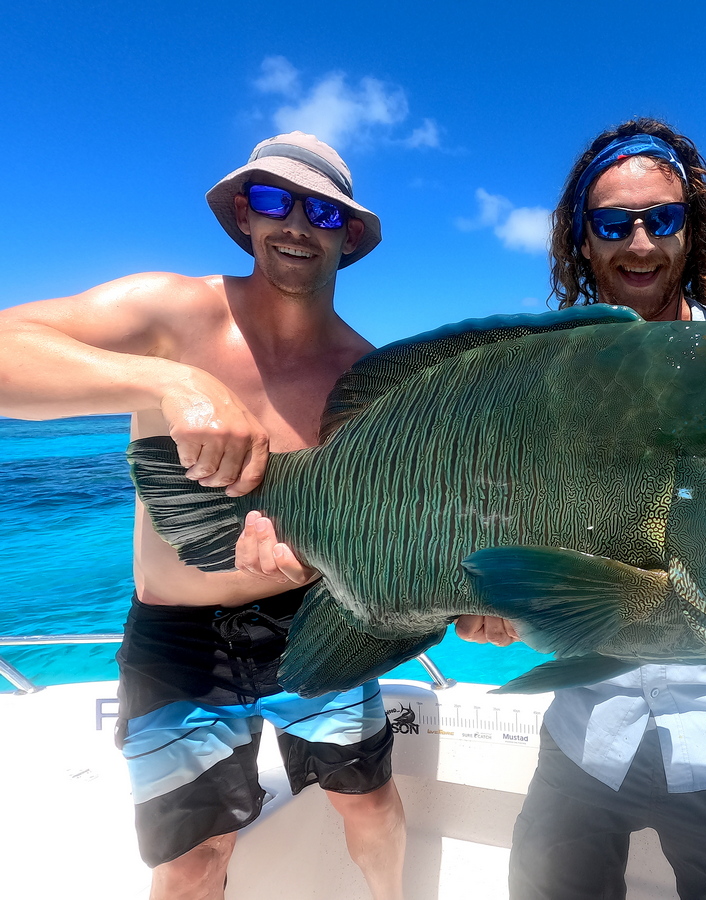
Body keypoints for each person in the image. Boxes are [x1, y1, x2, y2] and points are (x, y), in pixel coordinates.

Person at [0, 133, 407, 900]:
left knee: (373, 805)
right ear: (244, 217)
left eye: (320, 209)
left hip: (315, 620)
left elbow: (381, 523)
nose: (295, 223)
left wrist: (317, 562)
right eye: (272, 200)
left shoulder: (369, 376)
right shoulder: (170, 314)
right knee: (191, 860)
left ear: (346, 233)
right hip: (178, 641)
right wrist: (165, 382)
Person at [458, 117, 706, 900]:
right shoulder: (540, 388)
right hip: (583, 736)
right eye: (614, 224)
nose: (639, 244)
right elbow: (507, 524)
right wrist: (488, 602)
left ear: (693, 230)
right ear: (584, 241)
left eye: (661, 219)